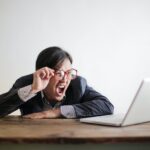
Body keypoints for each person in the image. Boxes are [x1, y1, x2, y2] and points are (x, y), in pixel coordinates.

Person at [0, 46, 114, 119]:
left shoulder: (77, 84)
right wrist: (32, 90)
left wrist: (55, 112)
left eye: (69, 72)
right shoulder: (26, 83)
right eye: (59, 73)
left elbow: (107, 106)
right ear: (43, 73)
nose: (65, 79)